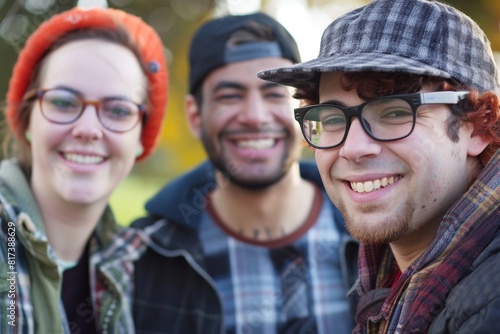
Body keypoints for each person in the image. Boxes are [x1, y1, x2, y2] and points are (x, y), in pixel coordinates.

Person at [258, 0, 500, 332]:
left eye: (394, 112)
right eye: (331, 118)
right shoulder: (381, 278)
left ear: (479, 124)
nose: (353, 148)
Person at [132, 12, 357, 334]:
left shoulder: (371, 228)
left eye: (274, 94)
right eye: (230, 96)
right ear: (195, 116)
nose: (254, 116)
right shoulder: (145, 257)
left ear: (306, 108)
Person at [0, 6, 168, 333]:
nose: (88, 129)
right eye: (63, 102)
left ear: (139, 139)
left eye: (118, 110)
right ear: (28, 121)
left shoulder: (134, 266)